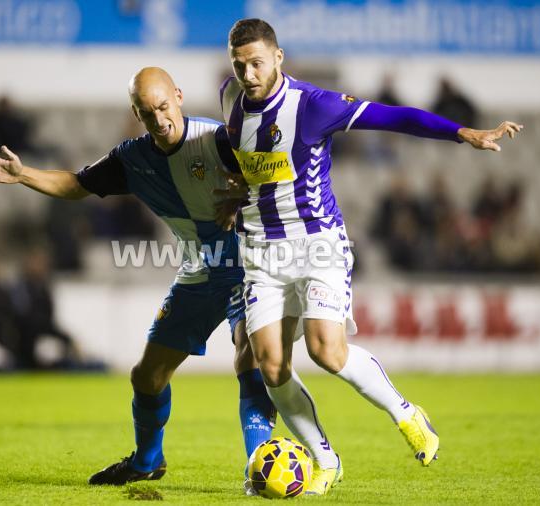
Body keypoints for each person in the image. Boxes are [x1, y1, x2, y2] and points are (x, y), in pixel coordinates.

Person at [218, 18, 522, 495]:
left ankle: (407, 414)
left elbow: (394, 117)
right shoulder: (230, 100)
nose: (248, 75)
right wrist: (234, 196)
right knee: (270, 366)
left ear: (278, 57)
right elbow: (246, 165)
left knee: (326, 351)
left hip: (317, 244)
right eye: (240, 66)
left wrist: (461, 132)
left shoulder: (314, 106)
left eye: (257, 63)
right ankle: (325, 461)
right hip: (261, 252)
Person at [0, 67, 278, 491]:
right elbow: (77, 184)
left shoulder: (219, 140)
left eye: (164, 107)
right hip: (200, 272)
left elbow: (276, 179)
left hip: (248, 266)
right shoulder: (132, 159)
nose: (159, 120)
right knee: (146, 377)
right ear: (137, 113)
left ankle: (260, 468)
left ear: (179, 96)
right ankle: (147, 462)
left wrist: (243, 197)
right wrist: (25, 175)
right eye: (148, 113)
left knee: (249, 357)